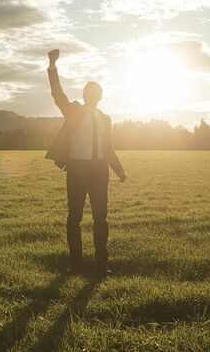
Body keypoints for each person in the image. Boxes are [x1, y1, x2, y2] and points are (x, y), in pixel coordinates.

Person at [45, 48, 127, 276]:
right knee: (75, 217)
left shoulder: (105, 119)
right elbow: (57, 94)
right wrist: (52, 66)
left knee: (102, 218)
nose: (91, 94)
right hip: (77, 170)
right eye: (88, 91)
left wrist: (119, 170)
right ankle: (75, 263)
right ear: (83, 95)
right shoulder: (73, 111)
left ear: (100, 96)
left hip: (100, 171)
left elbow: (107, 147)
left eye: (95, 92)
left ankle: (102, 264)